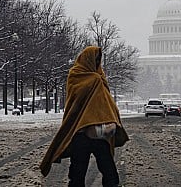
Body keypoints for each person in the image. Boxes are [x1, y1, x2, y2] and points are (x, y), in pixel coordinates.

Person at [40, 46, 129, 187]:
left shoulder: (81, 76)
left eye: (99, 60)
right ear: (88, 59)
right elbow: (87, 102)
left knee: (84, 174)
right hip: (89, 133)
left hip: (88, 132)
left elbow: (102, 101)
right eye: (96, 59)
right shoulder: (93, 78)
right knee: (98, 173)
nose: (98, 63)